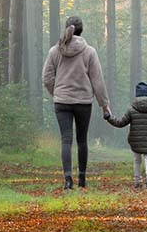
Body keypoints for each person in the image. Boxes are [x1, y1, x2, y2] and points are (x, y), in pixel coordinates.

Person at [43, 15, 111, 190]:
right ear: (81, 30)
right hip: (83, 102)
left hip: (61, 101)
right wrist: (104, 105)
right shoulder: (89, 52)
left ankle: (67, 180)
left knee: (66, 139)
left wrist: (55, 93)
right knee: (82, 140)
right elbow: (98, 81)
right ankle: (82, 179)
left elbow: (47, 78)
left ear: (67, 28)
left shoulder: (55, 51)